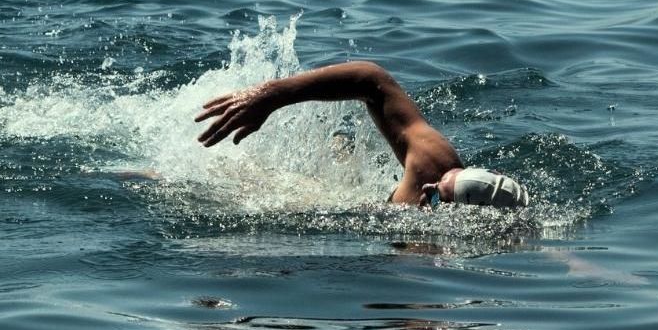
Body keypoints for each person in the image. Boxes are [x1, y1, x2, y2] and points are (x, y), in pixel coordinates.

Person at [195, 61, 531, 208]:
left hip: (360, 213)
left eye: (434, 198)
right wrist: (271, 94)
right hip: (338, 200)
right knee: (226, 180)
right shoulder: (435, 166)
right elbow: (371, 79)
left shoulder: (427, 251)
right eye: (445, 179)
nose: (428, 187)